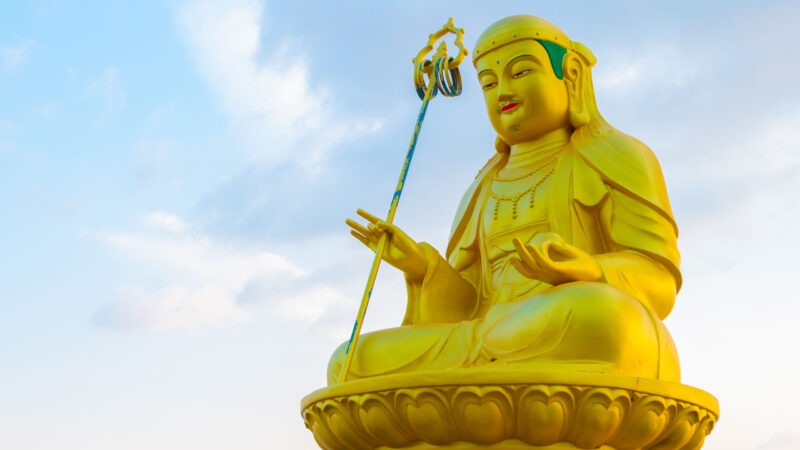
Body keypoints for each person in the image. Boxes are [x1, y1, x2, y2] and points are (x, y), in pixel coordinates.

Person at [328, 15, 682, 385]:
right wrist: (423, 267)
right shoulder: (481, 187)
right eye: (489, 83)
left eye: (521, 72)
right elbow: (466, 308)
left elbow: (659, 283)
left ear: (571, 75)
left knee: (609, 318)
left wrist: (590, 271)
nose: (503, 92)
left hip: (567, 323)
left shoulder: (617, 155)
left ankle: (480, 380)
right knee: (347, 363)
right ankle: (483, 375)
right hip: (482, 338)